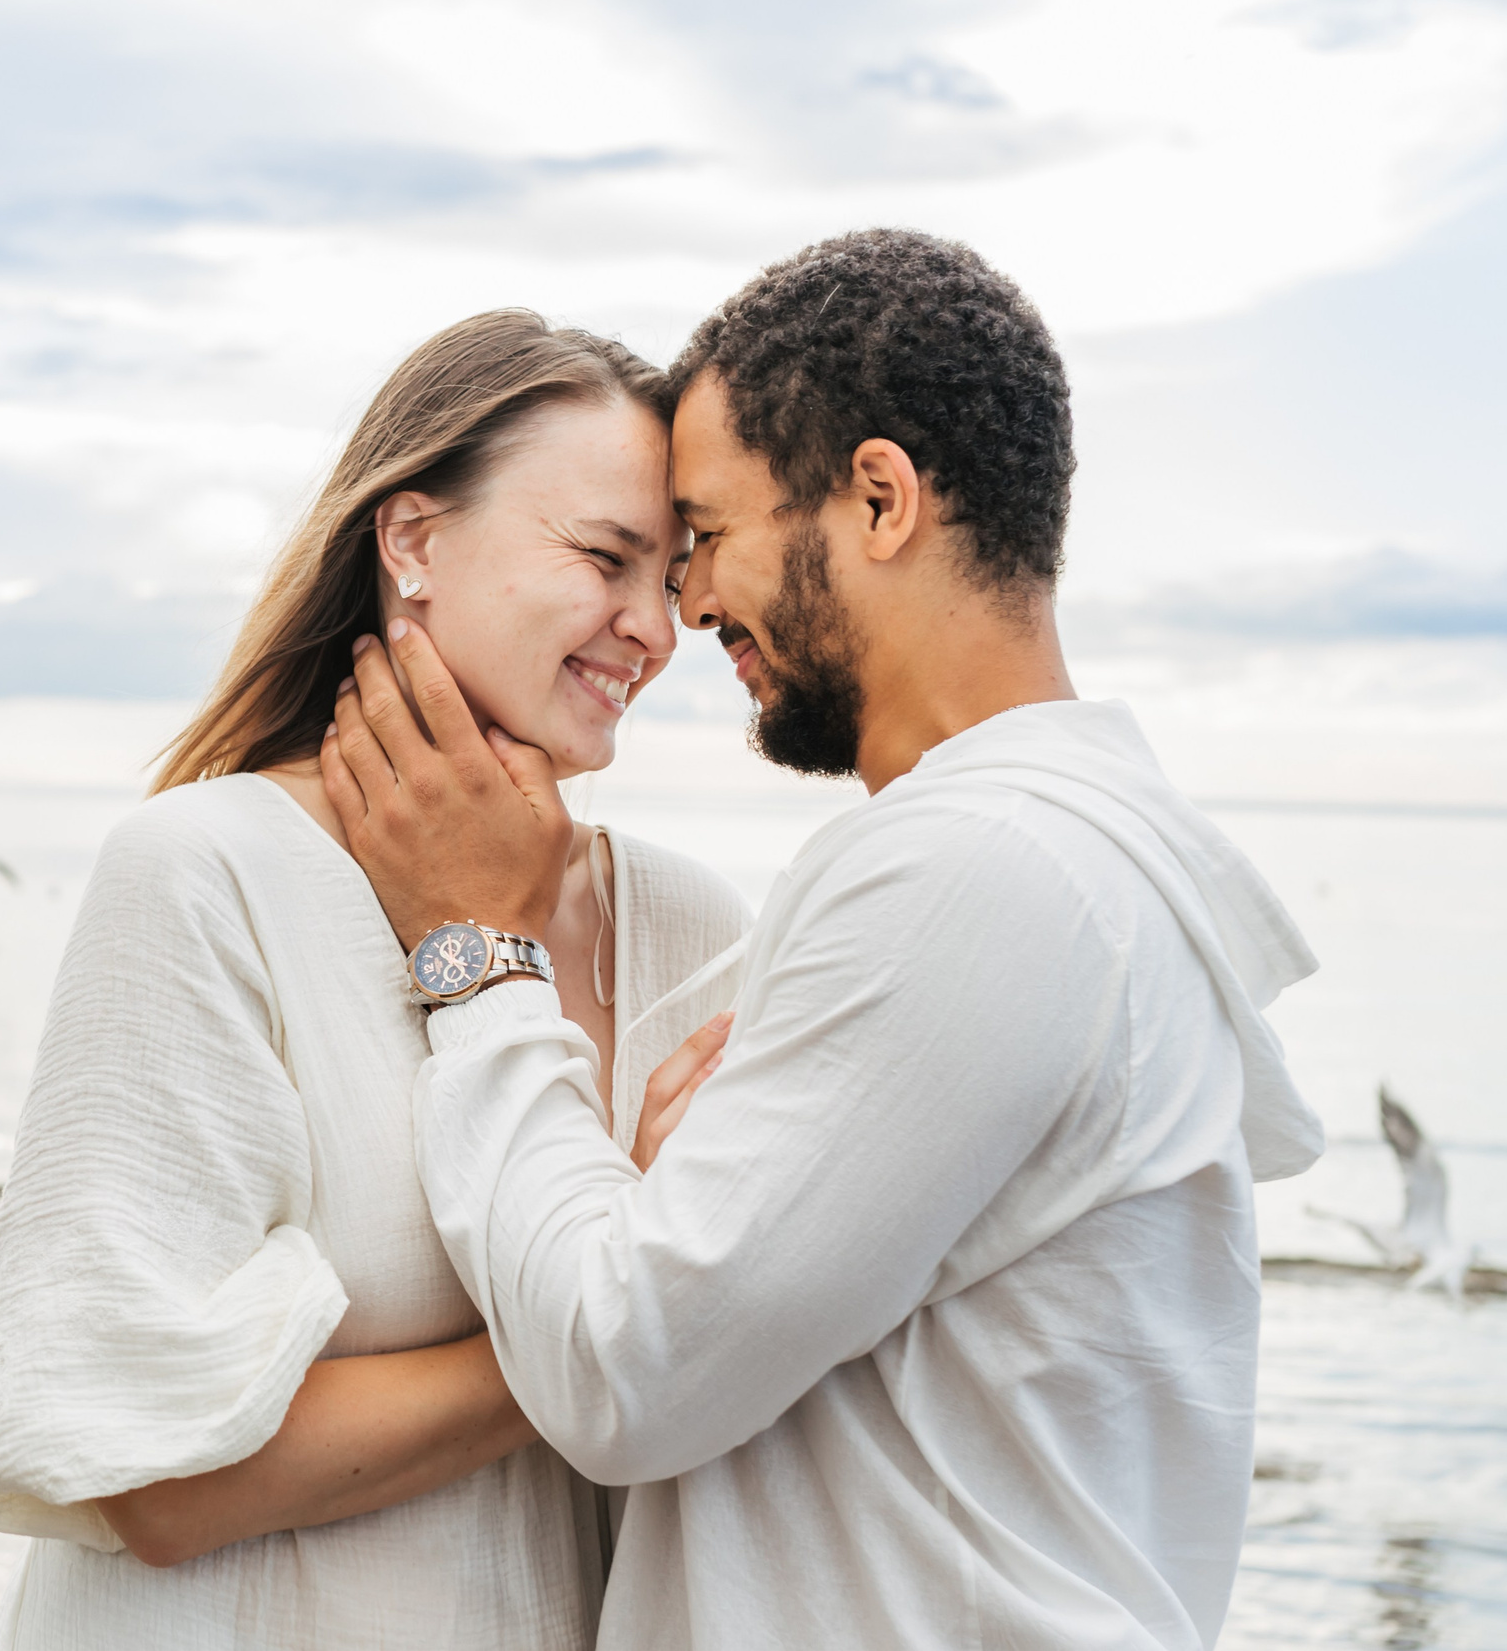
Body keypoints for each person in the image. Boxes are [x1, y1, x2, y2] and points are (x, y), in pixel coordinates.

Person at [320, 229, 1327, 1650]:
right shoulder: (1071, 858)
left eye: (709, 535)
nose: (688, 607)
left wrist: (477, 952)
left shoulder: (979, 868)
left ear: (877, 498)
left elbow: (628, 1367)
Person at [0, 309, 752, 1648]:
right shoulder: (204, 875)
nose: (653, 629)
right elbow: (149, 1474)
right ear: (413, 539)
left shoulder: (691, 925)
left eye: (675, 577)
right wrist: (618, 1336)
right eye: (607, 558)